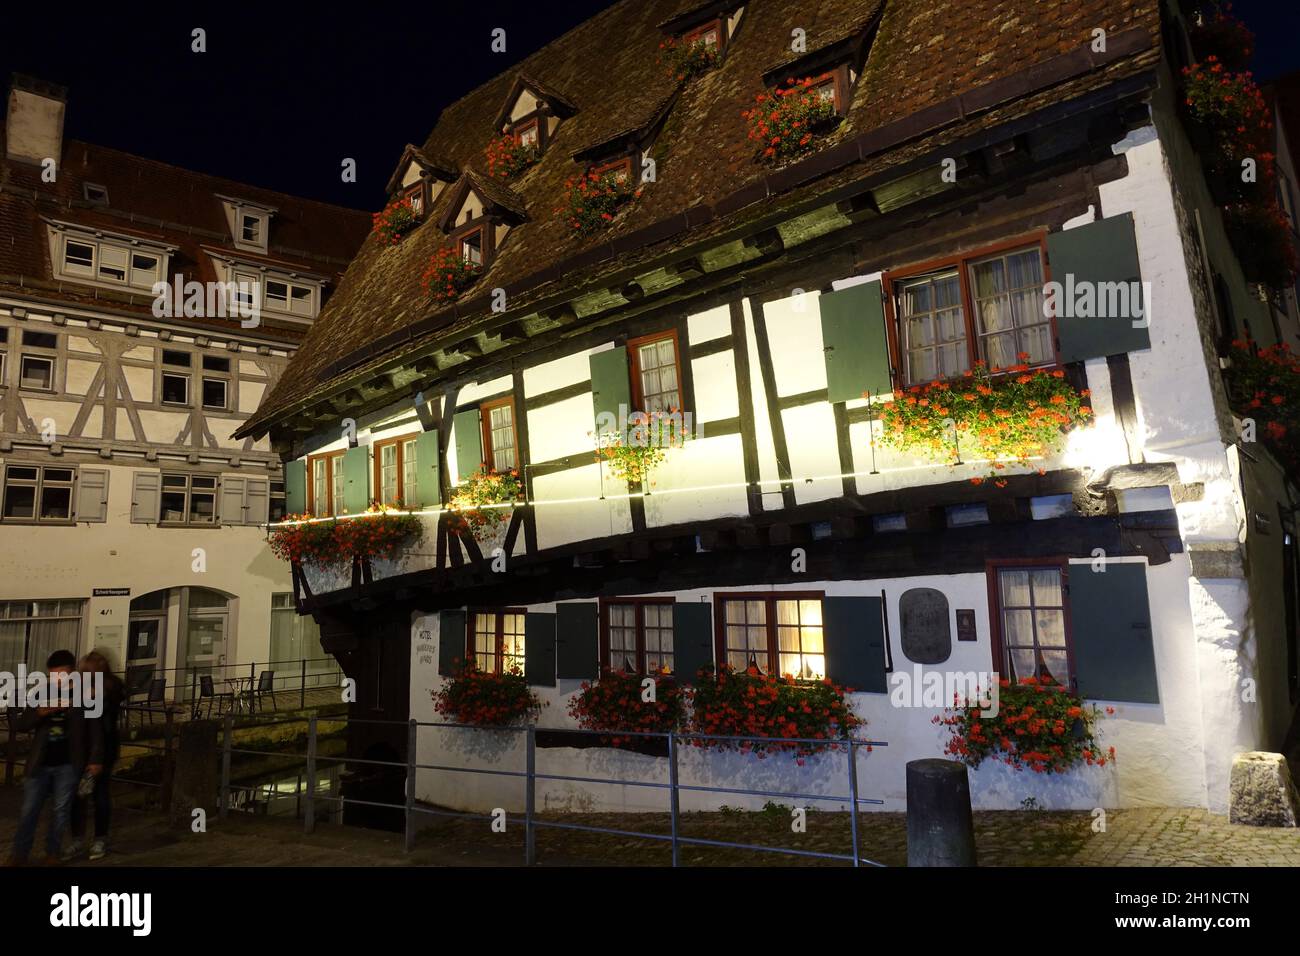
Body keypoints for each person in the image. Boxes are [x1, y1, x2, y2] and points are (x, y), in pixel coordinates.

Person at [5, 649, 103, 866]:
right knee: (29, 810)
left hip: (68, 763)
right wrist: (42, 711)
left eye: (61, 675)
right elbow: (20, 724)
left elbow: (95, 729)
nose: (56, 680)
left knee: (60, 812)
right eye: (53, 675)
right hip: (40, 761)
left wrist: (95, 759)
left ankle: (52, 852)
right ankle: (19, 853)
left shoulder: (85, 694)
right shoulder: (42, 692)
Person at [68, 651, 124, 861]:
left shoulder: (108, 689)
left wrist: (97, 758)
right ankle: (78, 839)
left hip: (102, 749)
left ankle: (99, 838)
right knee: (78, 795)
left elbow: (102, 718)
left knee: (99, 793)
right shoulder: (84, 688)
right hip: (80, 748)